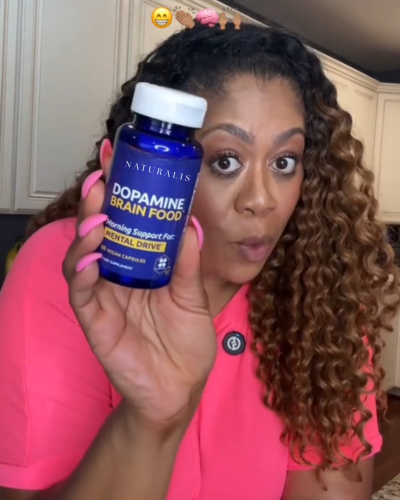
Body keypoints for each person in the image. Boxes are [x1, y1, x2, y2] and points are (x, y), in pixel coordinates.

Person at [0, 21, 398, 500]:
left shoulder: (318, 292)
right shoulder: (68, 267)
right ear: (128, 166)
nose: (261, 200)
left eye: (284, 162)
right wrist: (151, 419)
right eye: (225, 160)